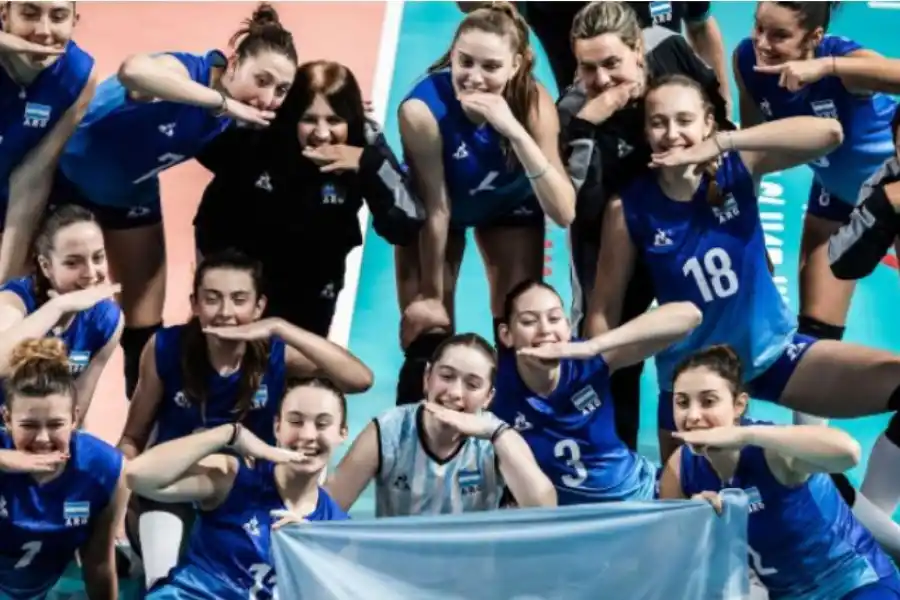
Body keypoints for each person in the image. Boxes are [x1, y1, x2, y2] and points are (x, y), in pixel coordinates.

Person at [587, 74, 900, 555]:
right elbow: (603, 311)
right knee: (690, 527)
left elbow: (829, 134)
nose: (672, 133)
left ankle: (877, 531)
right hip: (694, 388)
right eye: (659, 123)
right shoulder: (627, 209)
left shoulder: (736, 166)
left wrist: (725, 141)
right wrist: (595, 394)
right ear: (646, 132)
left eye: (685, 120)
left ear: (707, 122)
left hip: (774, 355)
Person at [47, 3, 299, 402]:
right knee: (35, 295)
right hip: (64, 178)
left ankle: (143, 429)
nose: (268, 98)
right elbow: (134, 71)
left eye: (281, 90)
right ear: (232, 64)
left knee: (146, 323)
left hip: (131, 194)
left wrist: (350, 121)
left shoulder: (247, 108)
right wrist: (220, 104)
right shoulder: (190, 71)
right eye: (262, 80)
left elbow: (303, 114)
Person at [117, 249, 372, 589]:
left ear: (259, 307)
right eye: (212, 299)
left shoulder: (273, 353)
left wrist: (282, 328)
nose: (226, 312)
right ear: (195, 304)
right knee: (163, 583)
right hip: (177, 485)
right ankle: (142, 552)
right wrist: (123, 500)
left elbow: (360, 379)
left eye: (239, 300)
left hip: (246, 495)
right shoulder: (166, 348)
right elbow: (132, 438)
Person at [559, 1, 734, 452]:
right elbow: (578, 209)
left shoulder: (670, 48)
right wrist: (586, 127)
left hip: (685, 228)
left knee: (709, 338)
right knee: (612, 352)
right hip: (613, 234)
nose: (600, 81)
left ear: (639, 49)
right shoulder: (575, 111)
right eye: (587, 68)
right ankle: (613, 466)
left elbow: (719, 121)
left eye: (612, 63)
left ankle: (707, 457)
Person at [396, 1, 576, 409]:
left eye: (491, 67)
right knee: (429, 335)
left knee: (521, 334)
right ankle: (416, 443)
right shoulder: (421, 111)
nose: (474, 78)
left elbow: (564, 212)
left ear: (516, 66)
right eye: (465, 62)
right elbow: (438, 206)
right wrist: (430, 295)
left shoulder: (533, 103)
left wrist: (512, 129)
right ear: (452, 55)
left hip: (508, 205)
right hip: (438, 211)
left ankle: (515, 435)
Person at [194, 59, 424, 337]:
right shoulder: (261, 131)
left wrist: (369, 165)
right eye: (309, 119)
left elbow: (407, 223)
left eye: (335, 119)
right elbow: (194, 129)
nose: (322, 134)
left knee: (301, 371)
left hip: (315, 281)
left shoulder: (365, 141)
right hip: (240, 275)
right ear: (292, 116)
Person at [659, 345, 900, 600]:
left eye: (708, 401)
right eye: (682, 403)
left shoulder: (772, 453)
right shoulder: (680, 468)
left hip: (853, 585)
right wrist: (694, 523)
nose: (693, 416)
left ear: (739, 405)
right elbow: (670, 561)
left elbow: (849, 452)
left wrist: (744, 434)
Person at [734, 1, 899, 348]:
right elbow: (752, 155)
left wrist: (828, 67)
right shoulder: (747, 61)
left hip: (893, 192)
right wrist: (752, 239)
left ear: (814, 36)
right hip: (836, 195)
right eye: (758, 28)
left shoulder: (842, 61)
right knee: (813, 339)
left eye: (780, 35)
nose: (762, 43)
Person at [125, 377, 350, 600]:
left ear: (342, 433)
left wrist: (309, 555)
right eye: (295, 421)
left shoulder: (334, 530)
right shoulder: (234, 477)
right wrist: (230, 434)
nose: (307, 435)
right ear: (277, 426)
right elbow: (138, 476)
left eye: (322, 424)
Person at [492, 280, 701, 505]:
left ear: (567, 326)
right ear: (506, 334)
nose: (545, 330)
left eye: (554, 319)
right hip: (567, 523)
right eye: (529, 321)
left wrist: (594, 346)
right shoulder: (492, 383)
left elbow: (690, 316)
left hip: (636, 498)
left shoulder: (589, 363)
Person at [326, 332, 556, 516]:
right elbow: (328, 507)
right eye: (446, 376)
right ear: (428, 377)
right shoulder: (388, 430)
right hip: (395, 570)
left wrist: (497, 434)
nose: (455, 393)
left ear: (488, 397)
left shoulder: (498, 438)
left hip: (470, 571)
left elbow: (544, 511)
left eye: (472, 385)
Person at [0, 337, 128, 600]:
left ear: (74, 419)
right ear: (7, 419)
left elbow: (99, 563)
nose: (43, 439)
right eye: (29, 426)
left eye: (56, 424)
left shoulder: (104, 469)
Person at [457, 1, 732, 109]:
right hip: (596, 134)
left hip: (674, 127)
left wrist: (722, 102)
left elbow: (701, 26)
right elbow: (468, 4)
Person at [0, 1, 98, 283]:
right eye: (29, 14)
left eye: (58, 17)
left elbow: (31, 177)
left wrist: (4, 285)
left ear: (74, 21)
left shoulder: (79, 75)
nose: (43, 32)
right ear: (4, 16)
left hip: (15, 197)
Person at [0, 204, 122, 420]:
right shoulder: (12, 302)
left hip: (40, 435)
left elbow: (74, 413)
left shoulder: (107, 320)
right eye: (73, 263)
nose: (91, 273)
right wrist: (58, 307)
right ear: (46, 266)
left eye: (98, 257)